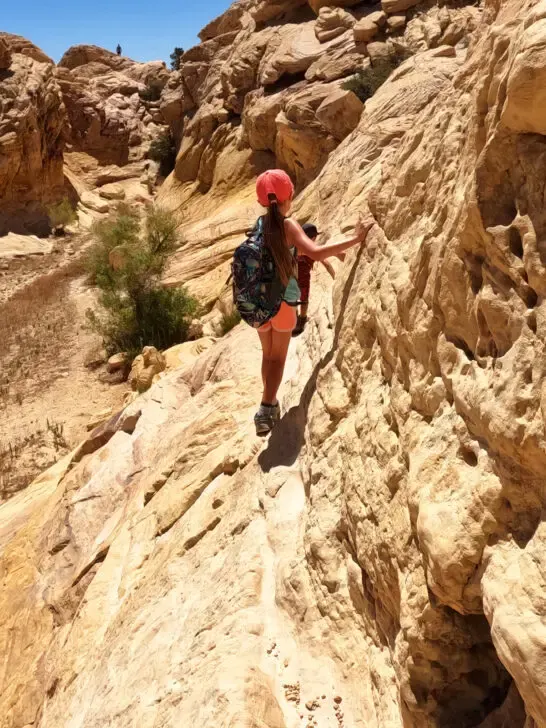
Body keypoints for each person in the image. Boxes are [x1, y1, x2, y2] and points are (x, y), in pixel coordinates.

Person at [253, 169, 375, 435]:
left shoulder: (260, 225)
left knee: (268, 354)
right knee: (279, 357)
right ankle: (266, 409)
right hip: (282, 302)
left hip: (258, 300)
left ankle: (268, 401)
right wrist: (356, 238)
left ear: (262, 201)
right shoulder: (288, 226)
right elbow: (316, 253)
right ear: (289, 196)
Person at [293, 222, 335, 337]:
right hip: (303, 277)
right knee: (304, 298)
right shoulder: (311, 249)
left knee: (293, 298)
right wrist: (335, 277)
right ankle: (301, 321)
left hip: (291, 276)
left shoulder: (295, 246)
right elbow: (326, 263)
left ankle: (294, 321)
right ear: (313, 237)